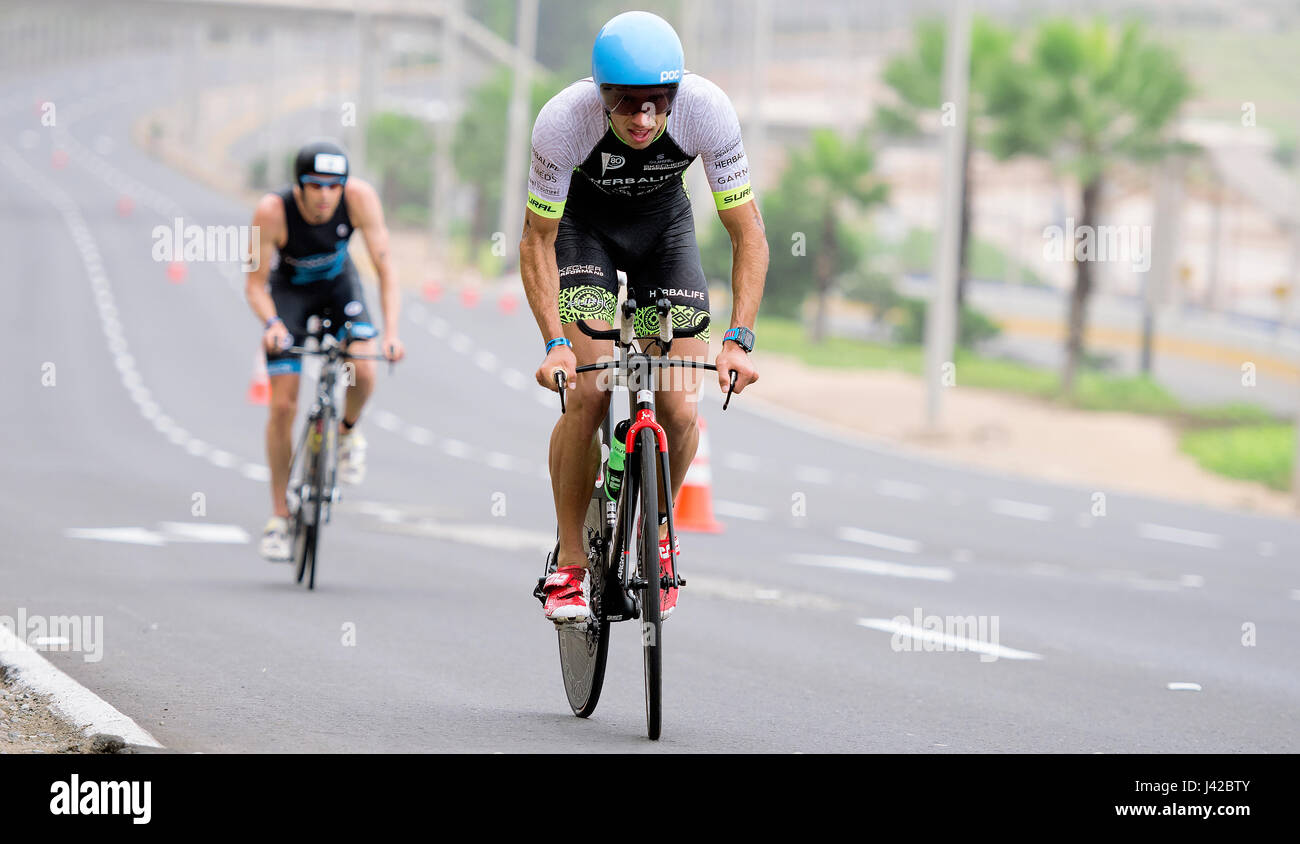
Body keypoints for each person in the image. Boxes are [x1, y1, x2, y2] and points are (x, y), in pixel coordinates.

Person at [520, 11, 767, 622]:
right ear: (602, 96)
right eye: (627, 105)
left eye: (657, 104)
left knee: (680, 407)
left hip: (665, 236)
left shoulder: (707, 109)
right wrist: (554, 342)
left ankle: (660, 534)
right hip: (585, 235)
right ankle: (572, 567)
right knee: (590, 392)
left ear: (675, 95)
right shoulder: (562, 122)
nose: (643, 119)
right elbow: (536, 239)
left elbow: (749, 233)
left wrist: (739, 340)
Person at [244, 139, 405, 561]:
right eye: (315, 186)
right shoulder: (272, 211)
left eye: (334, 187)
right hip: (289, 297)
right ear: (299, 186)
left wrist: (391, 334)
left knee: (364, 369)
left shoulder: (360, 199)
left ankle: (347, 433)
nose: (325, 196)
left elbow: (386, 268)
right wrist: (273, 324)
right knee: (283, 406)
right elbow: (255, 285)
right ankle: (279, 517)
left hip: (339, 288)